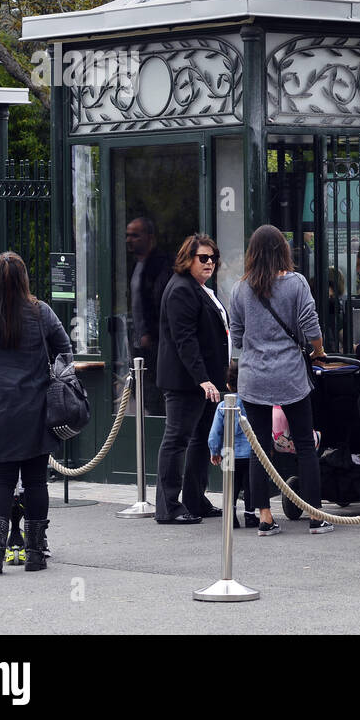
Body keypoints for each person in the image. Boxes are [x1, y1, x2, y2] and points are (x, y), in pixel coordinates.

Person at [0, 252, 71, 574]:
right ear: (24, 279)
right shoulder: (41, 313)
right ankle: (35, 552)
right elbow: (64, 349)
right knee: (37, 481)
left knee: (2, 480)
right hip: (36, 409)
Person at [230, 224, 330, 536]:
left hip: (254, 376)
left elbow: (236, 335)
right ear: (282, 251)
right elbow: (311, 326)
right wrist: (318, 352)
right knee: (304, 443)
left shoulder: (239, 288)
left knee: (260, 448)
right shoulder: (296, 283)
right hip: (290, 375)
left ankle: (264, 517)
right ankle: (315, 515)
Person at [155, 234, 229, 524]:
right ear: (188, 259)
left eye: (213, 258)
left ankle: (195, 499)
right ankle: (168, 506)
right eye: (203, 258)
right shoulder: (181, 290)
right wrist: (203, 379)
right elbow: (184, 339)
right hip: (186, 382)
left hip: (206, 380)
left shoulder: (200, 289)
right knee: (177, 439)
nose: (209, 262)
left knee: (201, 440)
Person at [126, 217, 170, 416]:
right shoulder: (135, 265)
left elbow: (159, 302)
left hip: (155, 342)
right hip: (139, 340)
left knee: (154, 389)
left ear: (150, 238)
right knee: (139, 387)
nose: (129, 240)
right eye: (127, 235)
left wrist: (150, 333)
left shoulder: (160, 265)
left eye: (135, 235)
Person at [208, 399, 257, 528]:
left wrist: (214, 450)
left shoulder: (223, 405)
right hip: (250, 451)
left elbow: (215, 431)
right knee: (249, 484)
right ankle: (250, 515)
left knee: (230, 485)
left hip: (228, 451)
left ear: (228, 385)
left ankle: (231, 516)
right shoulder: (252, 401)